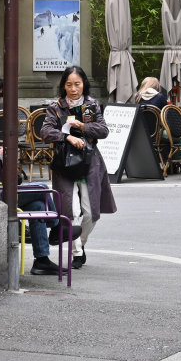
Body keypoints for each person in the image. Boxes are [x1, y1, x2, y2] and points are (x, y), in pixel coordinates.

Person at [38, 64, 116, 269]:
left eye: (77, 84)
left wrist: (84, 127)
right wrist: (68, 137)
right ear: (64, 86)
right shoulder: (56, 107)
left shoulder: (92, 105)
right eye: (69, 85)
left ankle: (81, 241)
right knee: (70, 211)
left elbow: (104, 130)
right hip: (64, 162)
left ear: (84, 84)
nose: (73, 89)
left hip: (90, 161)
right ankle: (77, 253)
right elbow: (45, 132)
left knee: (91, 212)